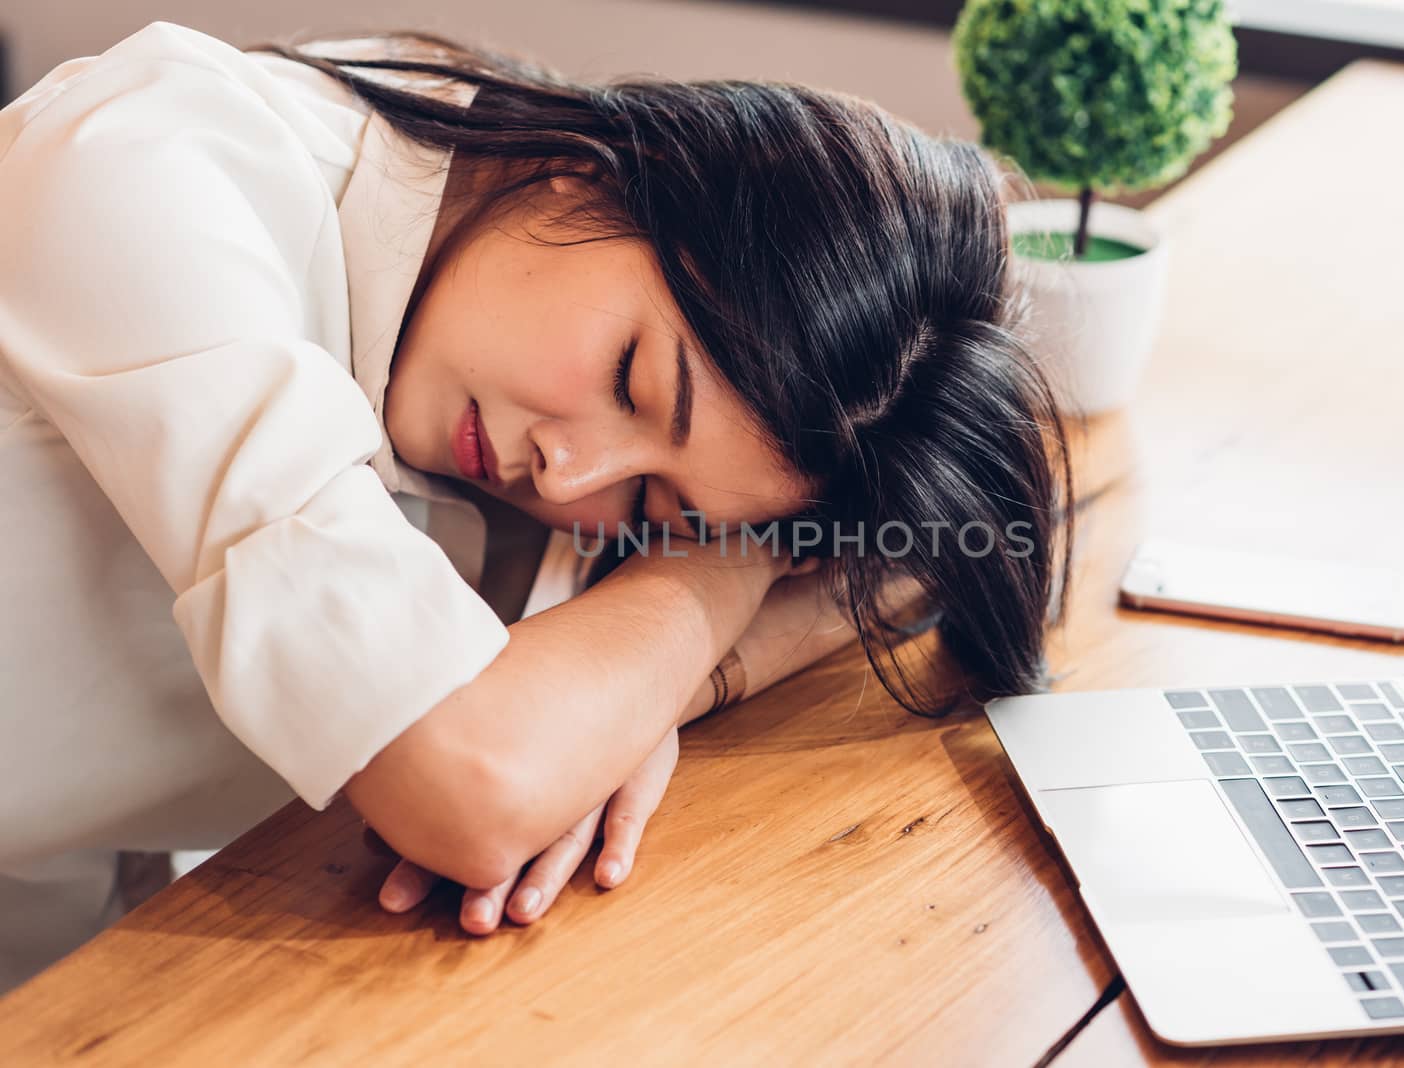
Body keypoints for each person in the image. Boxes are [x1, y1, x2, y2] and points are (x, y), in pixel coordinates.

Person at [0, 21, 1073, 988]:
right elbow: (476, 788)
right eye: (631, 381)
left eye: (653, 498)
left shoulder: (499, 292)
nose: (569, 477)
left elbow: (923, 552)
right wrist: (716, 566)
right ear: (594, 174)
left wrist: (656, 683)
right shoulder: (150, 170)